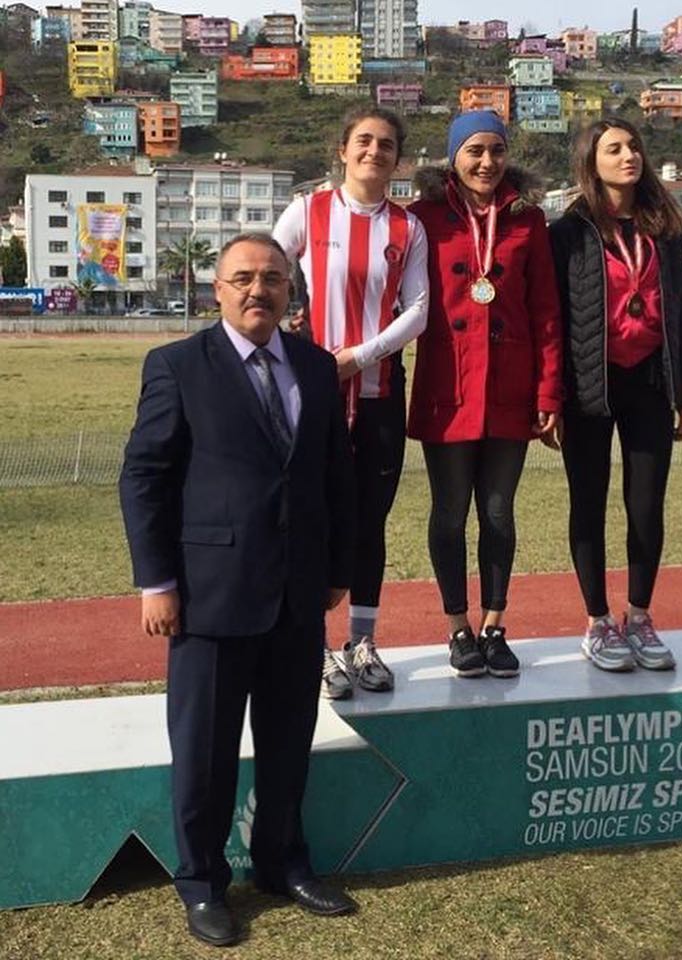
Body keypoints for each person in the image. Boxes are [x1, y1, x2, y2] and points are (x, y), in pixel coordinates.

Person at [119, 234, 357, 947]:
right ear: (216, 289)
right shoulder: (177, 365)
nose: (260, 290)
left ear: (291, 291)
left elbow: (333, 476)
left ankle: (284, 864)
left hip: (296, 594)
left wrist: (338, 569)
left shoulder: (316, 367)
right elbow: (144, 477)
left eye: (274, 279)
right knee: (205, 752)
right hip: (208, 595)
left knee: (288, 742)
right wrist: (156, 582)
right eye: (244, 278)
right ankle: (201, 884)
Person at [274, 106, 428, 700]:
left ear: (397, 159)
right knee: (309, 516)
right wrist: (294, 344)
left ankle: (361, 642)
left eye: (386, 144)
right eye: (363, 141)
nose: (374, 151)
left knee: (370, 519)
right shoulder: (308, 210)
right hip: (311, 392)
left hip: (380, 391)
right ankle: (312, 647)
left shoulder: (407, 228)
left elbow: (418, 310)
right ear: (342, 151)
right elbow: (267, 269)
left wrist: (359, 357)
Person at [407, 110, 563, 678]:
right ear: (454, 157)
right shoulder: (422, 219)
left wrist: (549, 393)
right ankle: (458, 629)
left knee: (498, 512)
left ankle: (495, 625)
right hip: (447, 388)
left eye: (496, 150)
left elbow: (547, 313)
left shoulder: (529, 221)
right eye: (474, 150)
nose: (486, 162)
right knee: (449, 514)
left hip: (510, 390)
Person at [548, 118, 682, 673]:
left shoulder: (665, 228)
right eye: (613, 149)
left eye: (634, 145)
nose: (628, 155)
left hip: (651, 383)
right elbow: (555, 318)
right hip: (590, 384)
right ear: (592, 161)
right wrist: (553, 393)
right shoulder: (568, 231)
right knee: (587, 502)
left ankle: (639, 616)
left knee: (646, 505)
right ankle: (597, 622)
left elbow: (681, 313)